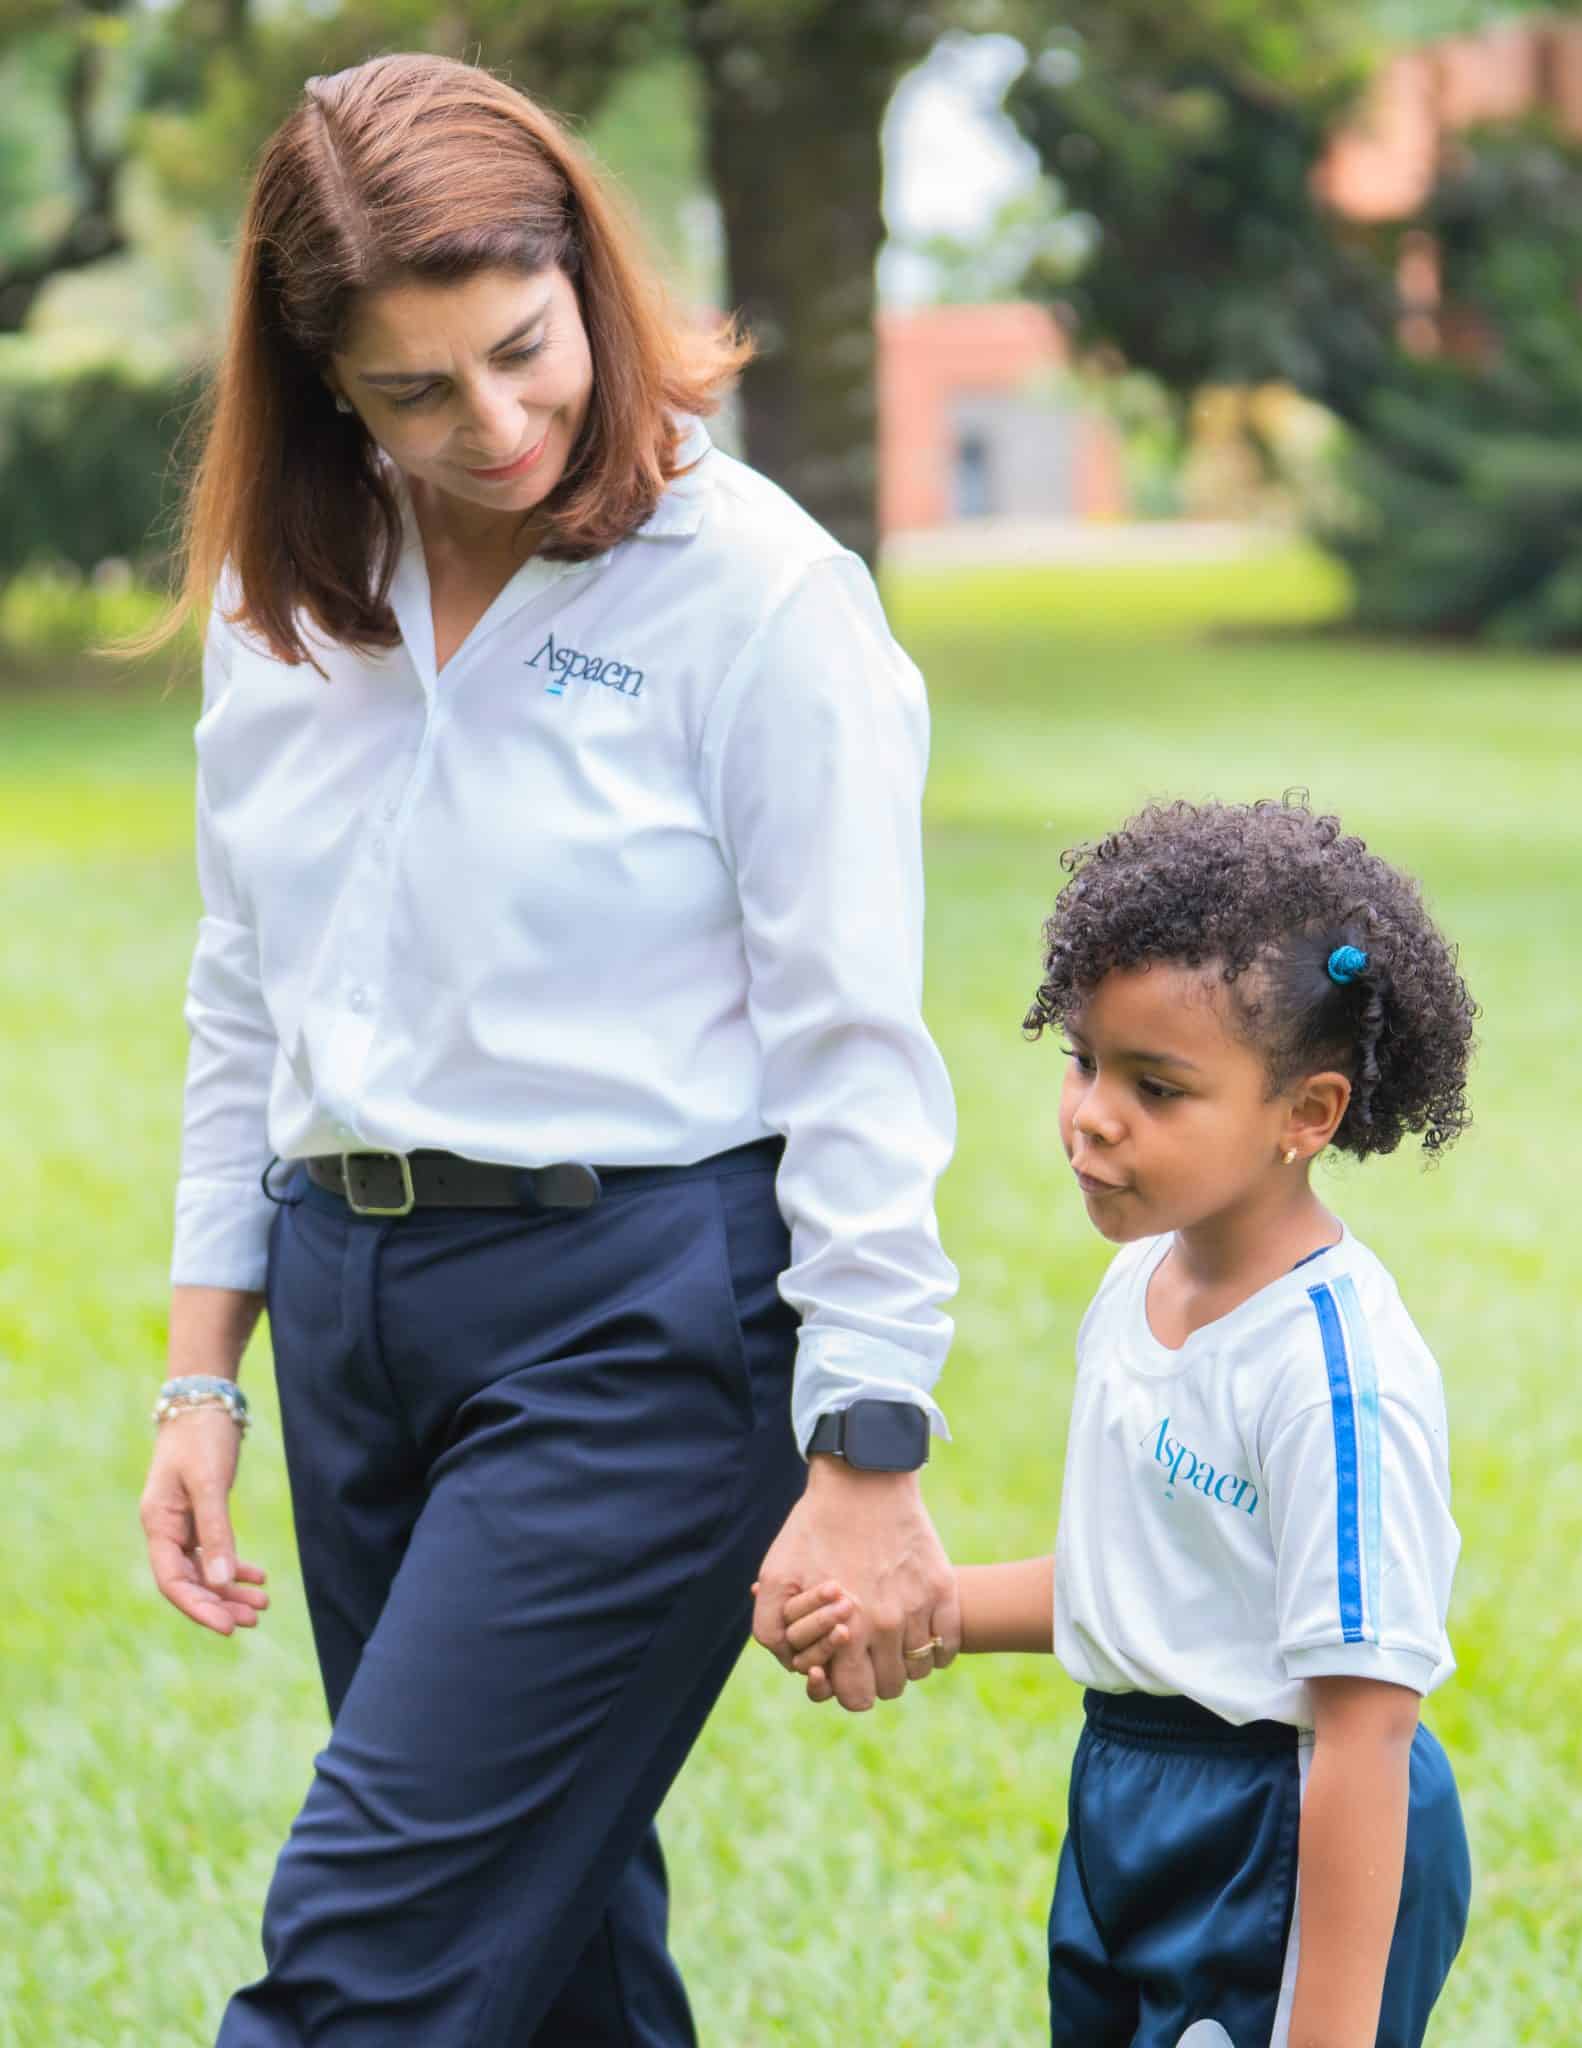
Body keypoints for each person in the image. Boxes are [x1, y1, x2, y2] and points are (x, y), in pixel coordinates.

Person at [136, 52, 962, 2045]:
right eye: (415, 390)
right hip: (348, 1309)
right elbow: (245, 994)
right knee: (548, 1959)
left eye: (523, 350)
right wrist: (202, 1373)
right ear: (324, 383)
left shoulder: (755, 594)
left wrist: (868, 1441)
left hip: (637, 1323)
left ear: (587, 281)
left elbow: (852, 1043)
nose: (495, 425)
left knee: (368, 1963)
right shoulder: (285, 607)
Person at [779, 798, 1477, 2047]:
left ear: (1307, 1113)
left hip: (1281, 1822)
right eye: (1084, 1058)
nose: (1093, 1113)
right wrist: (914, 1607)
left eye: (1156, 1086)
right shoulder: (1140, 1281)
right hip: (1130, 1792)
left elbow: (1366, 1729)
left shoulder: (1332, 1372)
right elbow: (1147, 1586)